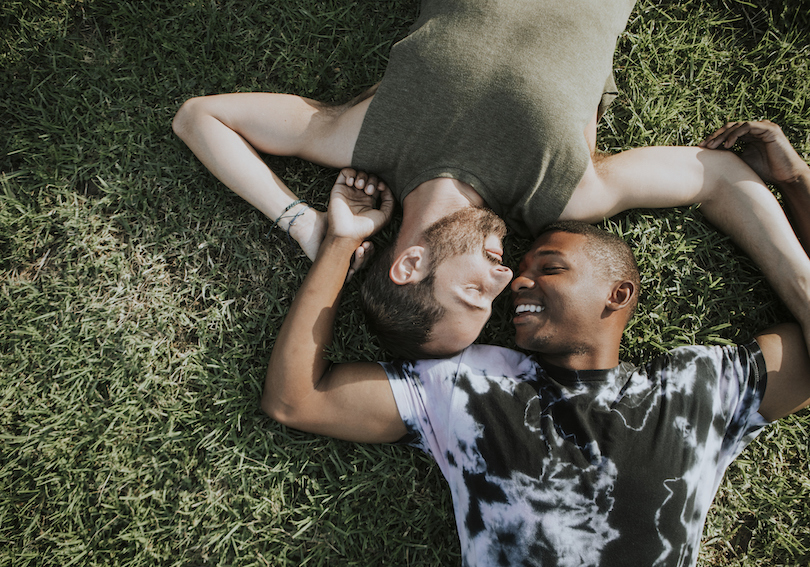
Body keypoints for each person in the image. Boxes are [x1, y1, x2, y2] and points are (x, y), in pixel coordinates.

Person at [261, 121, 810, 566]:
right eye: (517, 270)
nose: (516, 282)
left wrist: (797, 186)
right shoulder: (465, 384)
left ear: (618, 294)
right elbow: (296, 399)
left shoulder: (699, 392)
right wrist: (342, 243)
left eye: (549, 269)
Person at [173, 0, 810, 359]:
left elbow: (200, 117)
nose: (506, 279)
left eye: (476, 295)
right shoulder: (563, 194)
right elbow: (719, 176)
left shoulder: (364, 138)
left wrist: (308, 226)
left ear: (409, 262)